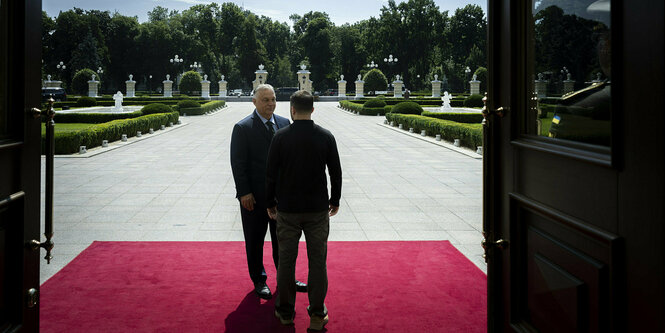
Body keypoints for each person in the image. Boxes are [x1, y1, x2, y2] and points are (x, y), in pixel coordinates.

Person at [266, 90, 342, 331]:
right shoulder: (326, 137)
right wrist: (335, 199)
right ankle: (317, 313)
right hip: (317, 209)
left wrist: (270, 203)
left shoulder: (280, 137)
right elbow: (336, 172)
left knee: (287, 261)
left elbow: (270, 175)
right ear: (313, 109)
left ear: (292, 109)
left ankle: (286, 311)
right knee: (318, 261)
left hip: (287, 210)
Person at [230, 84, 306, 300]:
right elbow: (238, 163)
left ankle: (286, 278)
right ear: (254, 102)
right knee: (255, 241)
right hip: (253, 198)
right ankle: (259, 280)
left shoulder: (284, 123)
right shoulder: (243, 127)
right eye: (265, 100)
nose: (271, 104)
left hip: (281, 198)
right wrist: (244, 192)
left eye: (273, 99)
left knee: (283, 240)